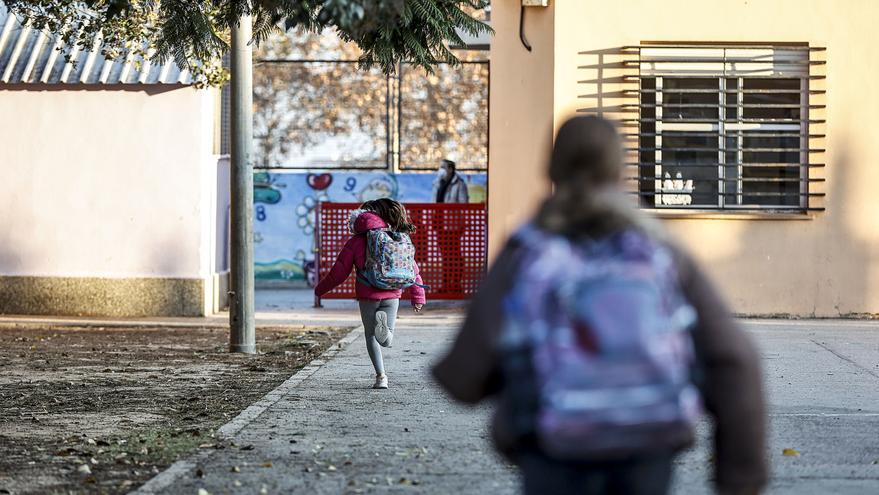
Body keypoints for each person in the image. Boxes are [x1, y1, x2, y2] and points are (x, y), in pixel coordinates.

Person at [432, 116, 767, 495]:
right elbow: (735, 359)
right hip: (647, 449)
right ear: (620, 168)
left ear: (551, 168)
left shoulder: (528, 251)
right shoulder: (658, 251)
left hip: (552, 452)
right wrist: (740, 479)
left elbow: (463, 378)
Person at [315, 198, 426, 390]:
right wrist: (418, 296)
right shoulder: (397, 237)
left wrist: (320, 290)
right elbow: (412, 269)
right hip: (393, 293)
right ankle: (387, 334)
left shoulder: (356, 241)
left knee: (370, 336)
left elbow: (339, 271)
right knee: (386, 338)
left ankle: (381, 377)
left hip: (368, 295)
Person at [432, 159, 470, 294]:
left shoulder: (459, 184)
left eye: (443, 167)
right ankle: (446, 284)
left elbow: (464, 203)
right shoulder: (438, 182)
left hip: (453, 225)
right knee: (445, 255)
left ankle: (457, 284)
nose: (440, 169)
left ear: (451, 168)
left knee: (455, 255)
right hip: (440, 224)